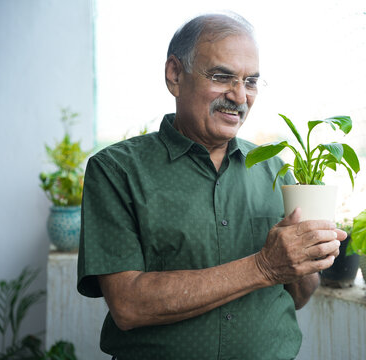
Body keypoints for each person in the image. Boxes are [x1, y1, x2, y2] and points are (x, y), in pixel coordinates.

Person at [77, 12, 346, 359]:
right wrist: (264, 266)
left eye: (250, 81)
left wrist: (308, 257)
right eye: (223, 77)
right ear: (175, 75)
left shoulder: (274, 170)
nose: (239, 96)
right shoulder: (116, 171)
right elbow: (128, 305)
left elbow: (298, 295)